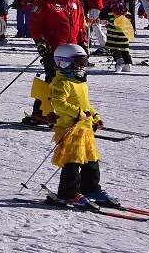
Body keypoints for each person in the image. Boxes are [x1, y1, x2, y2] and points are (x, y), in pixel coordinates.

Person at [47, 44, 117, 208]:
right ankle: (68, 193)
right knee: (72, 161)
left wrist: (95, 117)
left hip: (85, 129)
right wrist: (78, 113)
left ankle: (90, 189)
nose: (81, 67)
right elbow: (59, 104)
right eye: (78, 63)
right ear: (64, 63)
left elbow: (86, 105)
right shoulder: (61, 82)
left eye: (83, 62)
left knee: (91, 160)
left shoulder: (81, 82)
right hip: (70, 128)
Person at [27, 0, 87, 125]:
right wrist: (40, 42)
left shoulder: (76, 3)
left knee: (73, 82)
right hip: (53, 49)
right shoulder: (45, 3)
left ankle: (72, 111)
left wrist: (83, 42)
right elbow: (35, 25)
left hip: (73, 50)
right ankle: (41, 112)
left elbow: (81, 25)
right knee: (52, 80)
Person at [104, 0, 134, 73]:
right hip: (124, 36)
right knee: (125, 50)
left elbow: (102, 17)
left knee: (113, 48)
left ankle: (118, 59)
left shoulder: (109, 12)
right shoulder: (127, 13)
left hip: (112, 36)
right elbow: (131, 23)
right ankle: (128, 64)